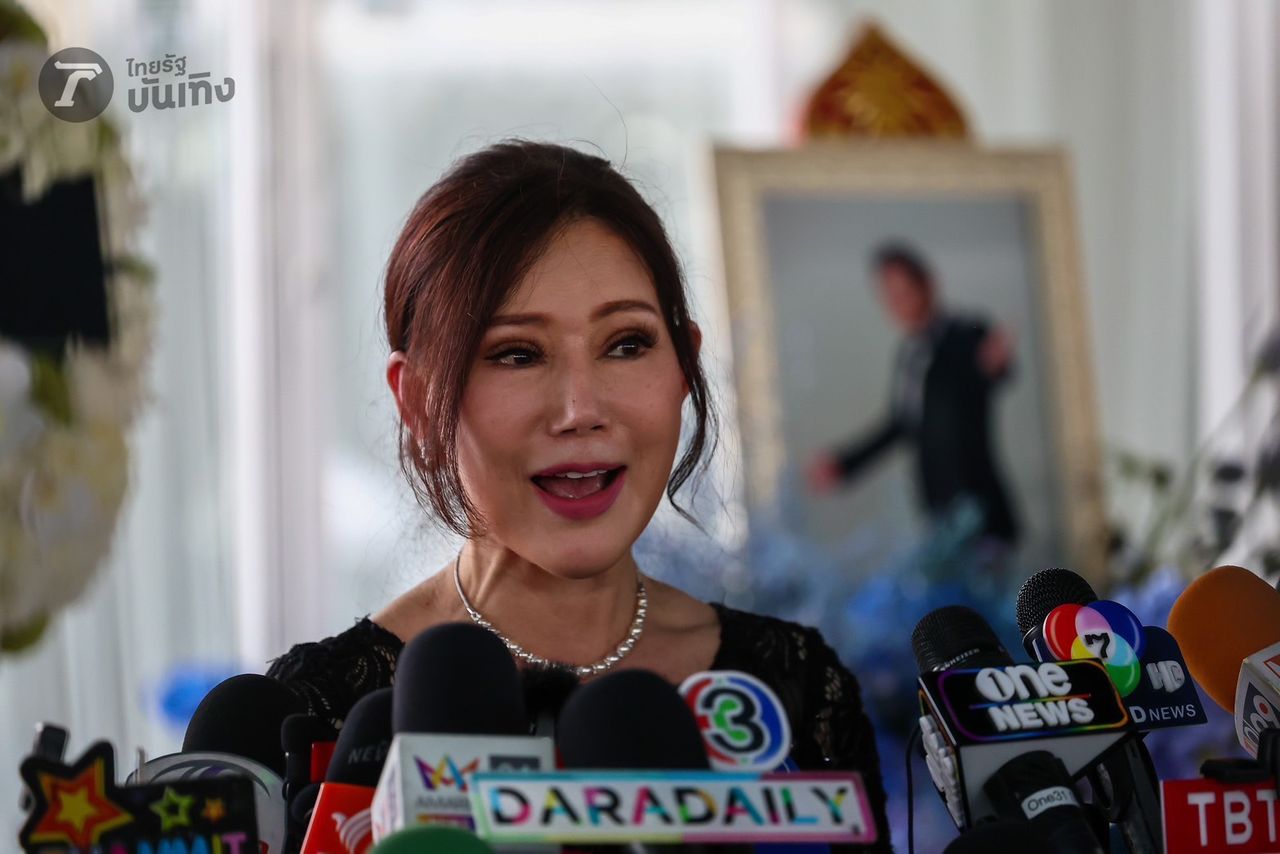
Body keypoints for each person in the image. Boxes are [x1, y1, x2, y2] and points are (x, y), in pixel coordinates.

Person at [267, 140, 891, 849]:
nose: (580, 410)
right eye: (517, 354)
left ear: (683, 366)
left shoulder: (796, 687)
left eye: (626, 344)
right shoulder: (324, 710)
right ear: (417, 401)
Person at [806, 243, 1021, 547]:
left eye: (904, 292)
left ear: (928, 284)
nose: (897, 304)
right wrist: (844, 464)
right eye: (889, 295)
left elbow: (988, 370)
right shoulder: (908, 355)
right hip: (938, 513)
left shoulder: (966, 334)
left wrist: (996, 366)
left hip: (980, 510)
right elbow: (900, 425)